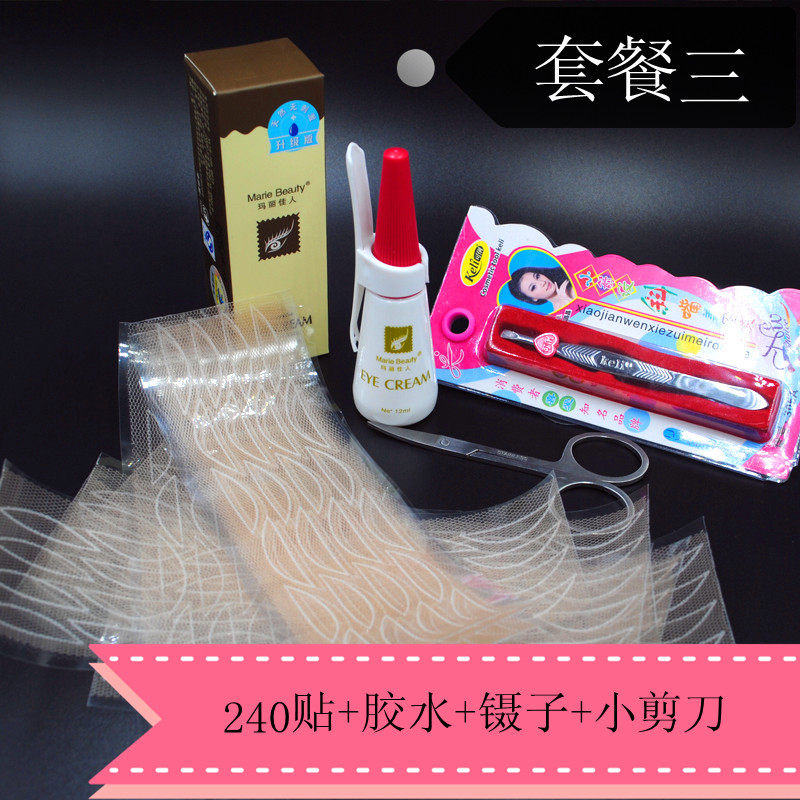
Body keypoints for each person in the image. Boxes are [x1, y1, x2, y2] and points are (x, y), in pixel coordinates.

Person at [507, 266, 575, 312]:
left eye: (537, 276)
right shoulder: (557, 315)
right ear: (533, 299)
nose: (542, 282)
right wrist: (565, 300)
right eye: (533, 287)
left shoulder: (571, 275)